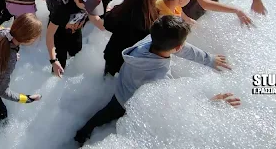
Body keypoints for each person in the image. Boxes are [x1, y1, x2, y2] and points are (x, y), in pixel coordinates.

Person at [74, 16, 238, 146]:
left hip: (120, 91)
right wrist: (209, 103)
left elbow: (181, 47)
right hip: (134, 104)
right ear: (178, 47)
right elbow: (176, 105)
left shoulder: (149, 40)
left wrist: (208, 59)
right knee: (124, 128)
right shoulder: (160, 77)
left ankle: (80, 136)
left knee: (103, 116)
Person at [47, 0, 106, 76]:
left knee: (77, 56)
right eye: (88, 8)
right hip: (59, 36)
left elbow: (94, 18)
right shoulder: (62, 6)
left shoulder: (87, 0)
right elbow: (50, 34)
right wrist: (53, 60)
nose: (90, 10)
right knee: (59, 66)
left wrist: (110, 28)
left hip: (76, 33)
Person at [102, 0, 158, 76]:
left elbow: (107, 24)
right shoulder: (153, 16)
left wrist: (108, 12)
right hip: (135, 60)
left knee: (108, 80)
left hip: (114, 56)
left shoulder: (119, 12)